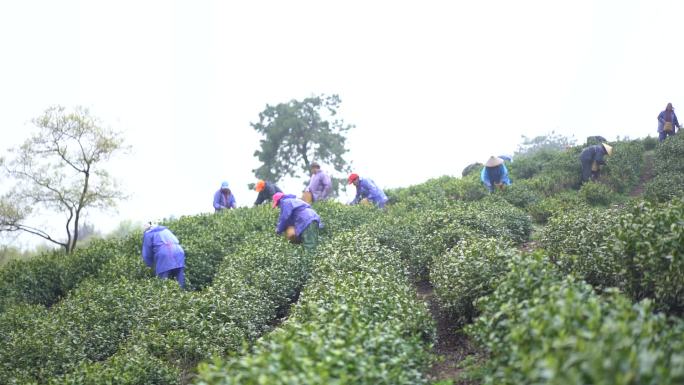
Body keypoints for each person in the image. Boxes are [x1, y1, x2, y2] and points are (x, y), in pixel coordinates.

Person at [142, 222, 186, 288]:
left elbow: (147, 253)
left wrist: (149, 265)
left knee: (162, 282)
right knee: (179, 280)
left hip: (165, 254)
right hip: (179, 252)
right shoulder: (165, 230)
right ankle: (182, 294)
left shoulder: (148, 233)